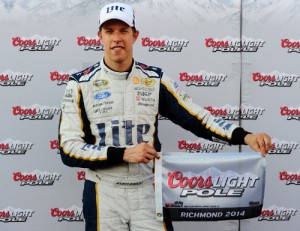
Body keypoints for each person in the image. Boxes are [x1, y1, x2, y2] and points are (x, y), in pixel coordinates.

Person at [58, 2, 272, 231]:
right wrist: (123, 154)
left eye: (123, 31)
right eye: (109, 31)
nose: (116, 38)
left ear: (135, 35)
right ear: (99, 36)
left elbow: (198, 119)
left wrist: (245, 137)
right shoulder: (79, 84)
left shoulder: (154, 79)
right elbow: (68, 149)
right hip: (103, 191)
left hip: (148, 189)